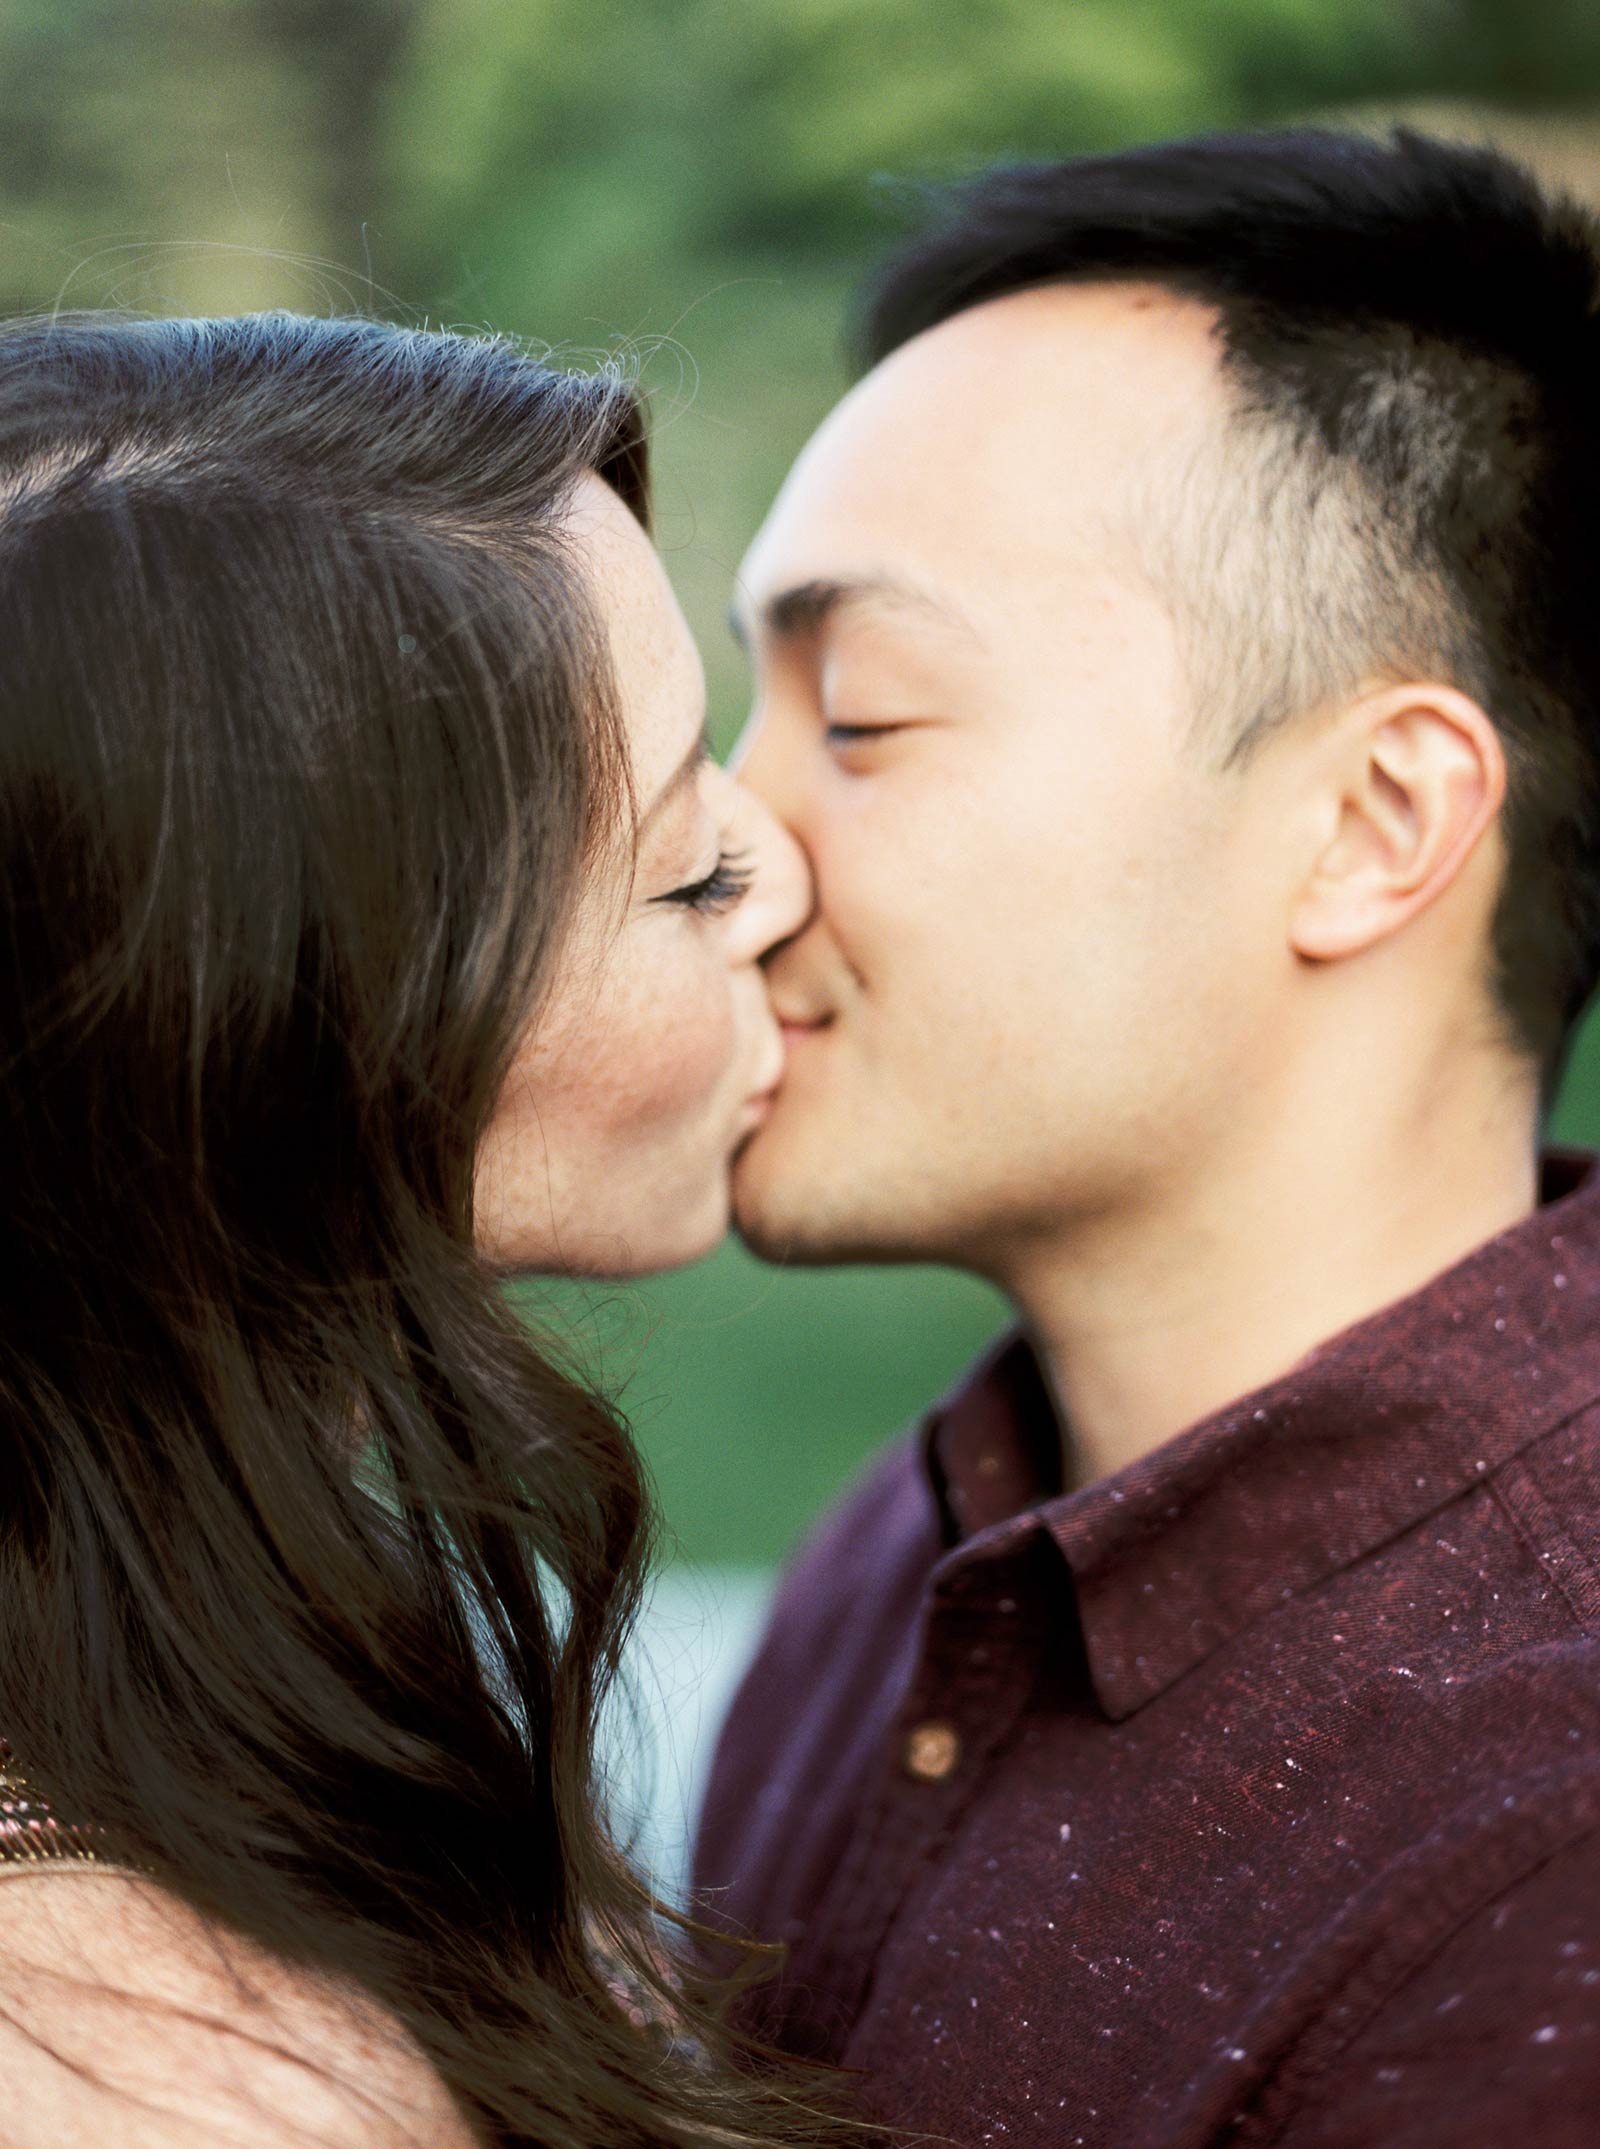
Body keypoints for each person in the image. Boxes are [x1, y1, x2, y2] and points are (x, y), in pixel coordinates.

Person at [696, 127, 1600, 2146]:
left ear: (1371, 823)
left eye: (859, 714)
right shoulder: (914, 1548)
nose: (723, 843)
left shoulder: (1545, 1828)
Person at [0, 312, 848, 2148]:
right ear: (303, 1049)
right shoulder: (186, 2091)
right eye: (683, 863)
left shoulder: (168, 1731)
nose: (772, 866)